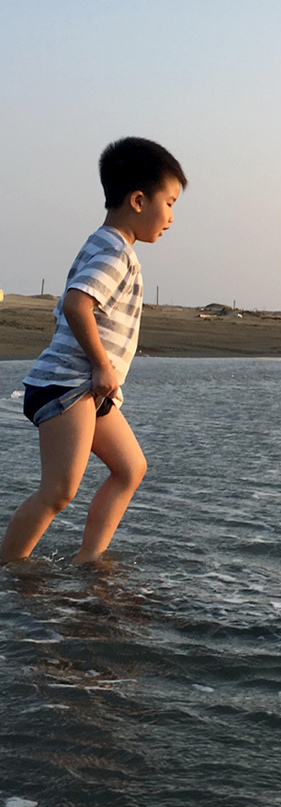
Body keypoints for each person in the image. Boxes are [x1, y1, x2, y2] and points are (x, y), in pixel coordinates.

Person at [1, 137, 187, 565]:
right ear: (138, 200)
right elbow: (76, 303)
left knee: (130, 468)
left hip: (87, 388)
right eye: (170, 202)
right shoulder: (115, 251)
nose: (172, 217)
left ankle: (89, 559)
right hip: (68, 385)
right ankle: (10, 572)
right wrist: (103, 366)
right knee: (59, 490)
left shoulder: (108, 244)